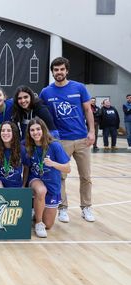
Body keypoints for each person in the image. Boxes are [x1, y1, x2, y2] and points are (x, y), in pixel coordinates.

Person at [39, 56, 95, 223]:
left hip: (82, 139)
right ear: (52, 72)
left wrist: (91, 131)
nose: (59, 72)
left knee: (86, 176)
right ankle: (63, 208)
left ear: (67, 70)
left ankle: (86, 207)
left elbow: (88, 110)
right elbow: (43, 116)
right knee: (60, 177)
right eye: (56, 70)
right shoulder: (46, 92)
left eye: (62, 69)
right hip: (61, 141)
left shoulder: (79, 88)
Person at [25, 118, 71, 238]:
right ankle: (38, 223)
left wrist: (53, 164)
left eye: (38, 129)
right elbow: (26, 168)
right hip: (36, 180)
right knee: (41, 190)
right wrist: (23, 185)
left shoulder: (55, 145)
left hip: (53, 186)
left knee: (49, 225)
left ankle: (37, 212)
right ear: (29, 133)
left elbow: (67, 168)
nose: (35, 132)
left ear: (43, 129)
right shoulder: (29, 147)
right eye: (32, 130)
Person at [0, 121, 27, 188]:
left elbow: (27, 166)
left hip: (15, 184)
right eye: (3, 131)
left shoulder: (21, 149)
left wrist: (23, 185)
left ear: (14, 133)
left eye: (9, 130)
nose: (5, 133)